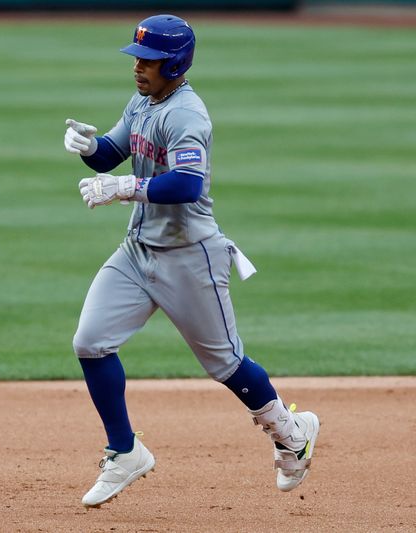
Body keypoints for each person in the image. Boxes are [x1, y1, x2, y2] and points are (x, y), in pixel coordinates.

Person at [63, 14, 319, 508]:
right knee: (90, 342)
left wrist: (124, 188)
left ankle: (292, 434)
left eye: (149, 61)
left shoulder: (186, 114)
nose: (139, 67)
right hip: (137, 253)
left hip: (190, 259)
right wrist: (89, 148)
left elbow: (186, 184)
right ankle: (125, 451)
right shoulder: (142, 102)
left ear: (175, 63)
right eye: (136, 58)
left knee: (225, 363)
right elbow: (111, 152)